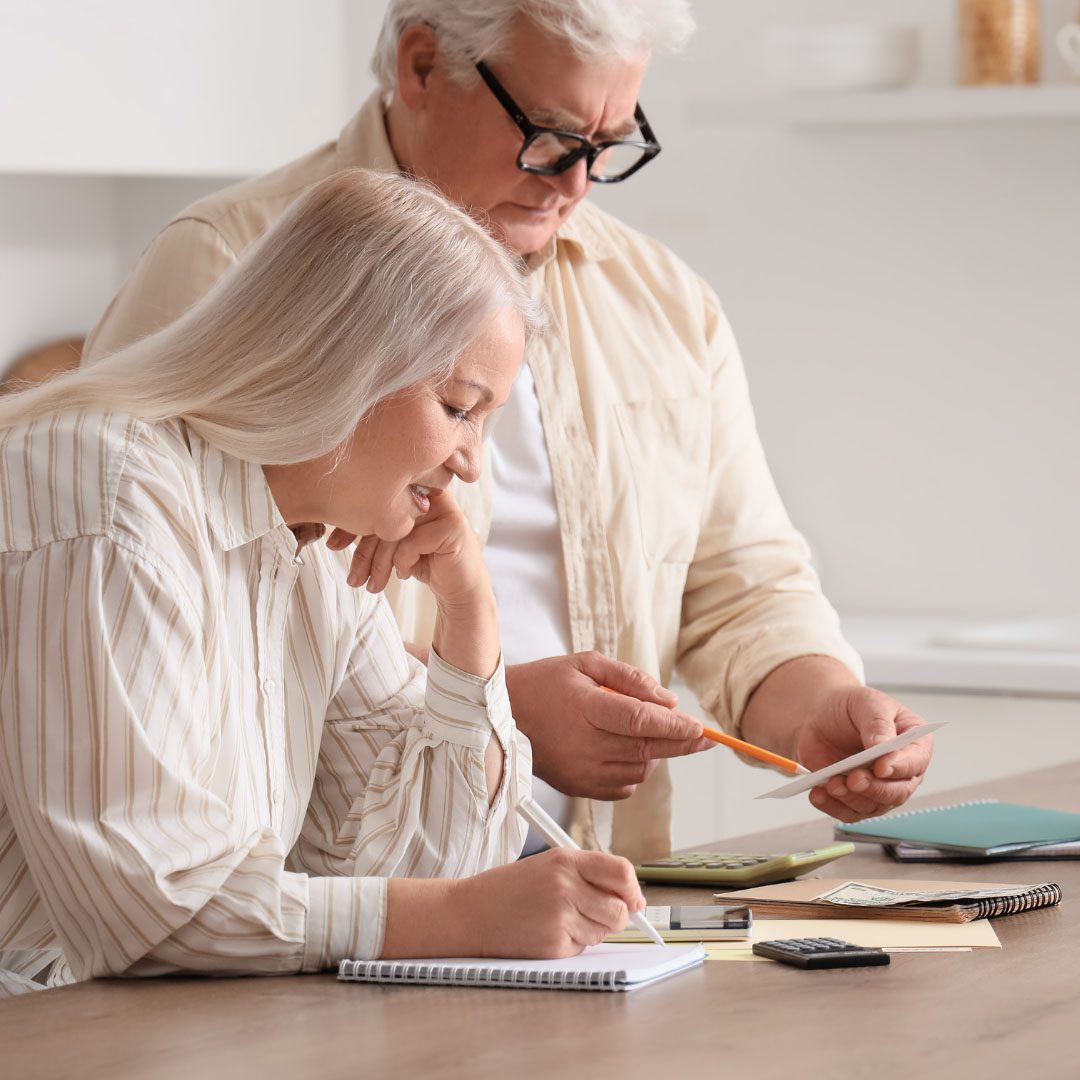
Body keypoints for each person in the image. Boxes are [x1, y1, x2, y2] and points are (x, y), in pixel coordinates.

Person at [83, 0, 934, 862]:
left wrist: (820, 709)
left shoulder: (669, 307)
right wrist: (496, 703)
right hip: (318, 898)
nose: (575, 184)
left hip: (599, 889)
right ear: (421, 67)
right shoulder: (228, 264)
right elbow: (150, 606)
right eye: (552, 134)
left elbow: (744, 587)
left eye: (610, 146)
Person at [0, 170, 648, 997]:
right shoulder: (108, 484)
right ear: (347, 360)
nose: (472, 462)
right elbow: (146, 907)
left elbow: (418, 860)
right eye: (458, 407)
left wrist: (469, 618)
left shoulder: (316, 542)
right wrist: (461, 916)